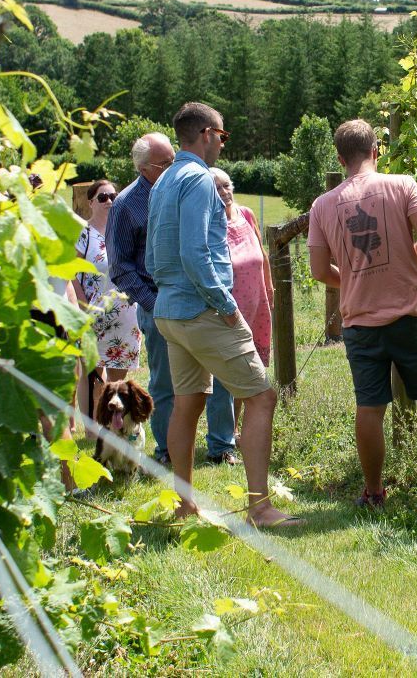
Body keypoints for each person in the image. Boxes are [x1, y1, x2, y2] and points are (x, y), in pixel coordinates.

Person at [146, 102, 301, 528]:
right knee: (262, 397)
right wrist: (227, 306)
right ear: (208, 134)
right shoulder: (197, 180)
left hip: (169, 313)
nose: (223, 144)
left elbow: (153, 254)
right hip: (202, 310)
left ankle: (184, 502)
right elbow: (197, 254)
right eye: (223, 136)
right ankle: (260, 508)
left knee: (188, 403)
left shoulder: (162, 182)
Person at [307, 119, 417, 509]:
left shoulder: (322, 206)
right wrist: (416, 253)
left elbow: (319, 271)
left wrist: (352, 280)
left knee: (369, 407)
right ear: (376, 151)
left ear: (340, 157)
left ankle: (373, 492)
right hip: (409, 313)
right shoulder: (402, 185)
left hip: (360, 323)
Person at [106, 132, 238, 466]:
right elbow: (121, 268)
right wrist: (152, 303)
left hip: (203, 300)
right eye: (164, 163)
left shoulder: (189, 187)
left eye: (172, 159)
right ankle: (166, 450)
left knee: (221, 374)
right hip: (160, 305)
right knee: (166, 383)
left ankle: (221, 446)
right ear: (143, 167)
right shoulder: (125, 205)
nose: (171, 166)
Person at [210, 167, 274, 436]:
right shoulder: (210, 223)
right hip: (229, 310)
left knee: (251, 369)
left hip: (257, 306)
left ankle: (236, 428)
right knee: (231, 373)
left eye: (226, 185)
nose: (224, 192)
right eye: (217, 188)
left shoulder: (246, 214)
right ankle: (225, 431)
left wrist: (269, 290)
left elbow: (261, 253)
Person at [73, 179, 141, 423]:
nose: (109, 201)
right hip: (93, 312)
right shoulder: (84, 234)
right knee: (92, 373)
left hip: (125, 312)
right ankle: (91, 426)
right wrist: (83, 308)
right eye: (103, 197)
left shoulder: (124, 230)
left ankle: (115, 425)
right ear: (91, 202)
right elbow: (71, 273)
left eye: (113, 196)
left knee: (118, 377)